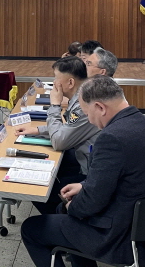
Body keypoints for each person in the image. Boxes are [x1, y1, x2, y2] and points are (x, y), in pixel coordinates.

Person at [20, 76, 145, 267]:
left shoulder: (112, 138)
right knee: (63, 210)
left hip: (121, 238)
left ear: (100, 107)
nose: (88, 119)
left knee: (33, 228)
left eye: (87, 112)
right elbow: (127, 178)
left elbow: (91, 203)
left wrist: (73, 205)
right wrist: (84, 186)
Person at [14, 57, 99, 214]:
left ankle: (61, 218)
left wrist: (54, 105)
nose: (54, 83)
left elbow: (59, 141)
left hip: (90, 174)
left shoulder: (83, 104)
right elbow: (69, 127)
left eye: (56, 78)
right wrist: (38, 130)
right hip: (85, 160)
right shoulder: (81, 96)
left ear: (70, 82)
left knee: (35, 188)